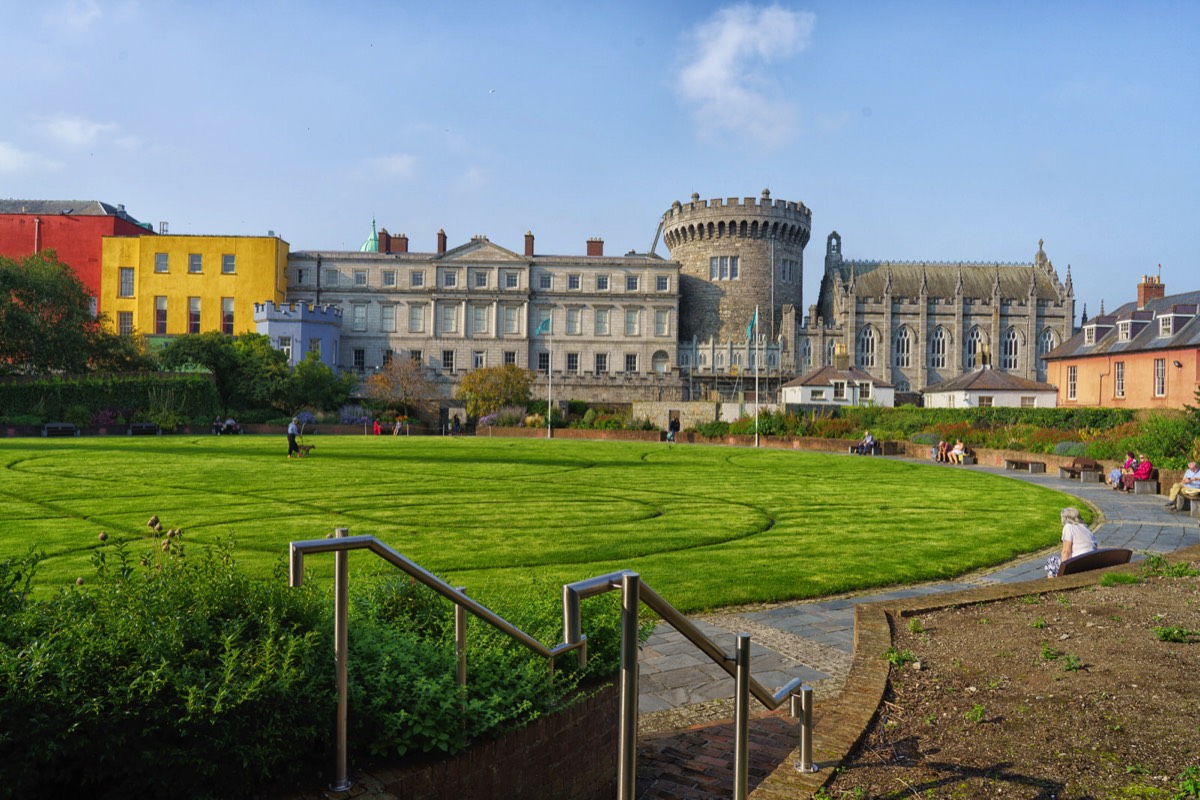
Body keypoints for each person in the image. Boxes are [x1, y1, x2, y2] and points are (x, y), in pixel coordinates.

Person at [1045, 506, 1097, 578]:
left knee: (1051, 561)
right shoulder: (1086, 528)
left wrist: (1063, 571)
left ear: (1065, 518)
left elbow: (1066, 551)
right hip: (1091, 562)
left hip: (1077, 564)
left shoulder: (1069, 527)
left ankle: (1051, 586)